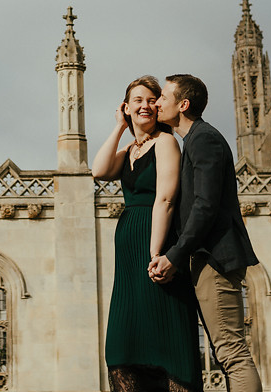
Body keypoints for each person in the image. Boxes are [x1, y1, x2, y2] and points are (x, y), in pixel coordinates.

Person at [148, 74, 261, 392]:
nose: (157, 103)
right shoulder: (193, 140)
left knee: (232, 353)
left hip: (216, 257)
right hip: (206, 257)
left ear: (183, 105)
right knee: (226, 351)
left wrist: (175, 255)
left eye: (164, 98)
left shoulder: (204, 139)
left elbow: (206, 207)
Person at [92, 75, 203, 392]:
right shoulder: (129, 149)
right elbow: (99, 171)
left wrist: (155, 253)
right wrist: (119, 127)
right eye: (137, 100)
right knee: (122, 346)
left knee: (166, 339)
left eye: (151, 99)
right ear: (126, 107)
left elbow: (165, 199)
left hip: (155, 241)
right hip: (129, 247)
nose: (145, 105)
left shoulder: (166, 142)